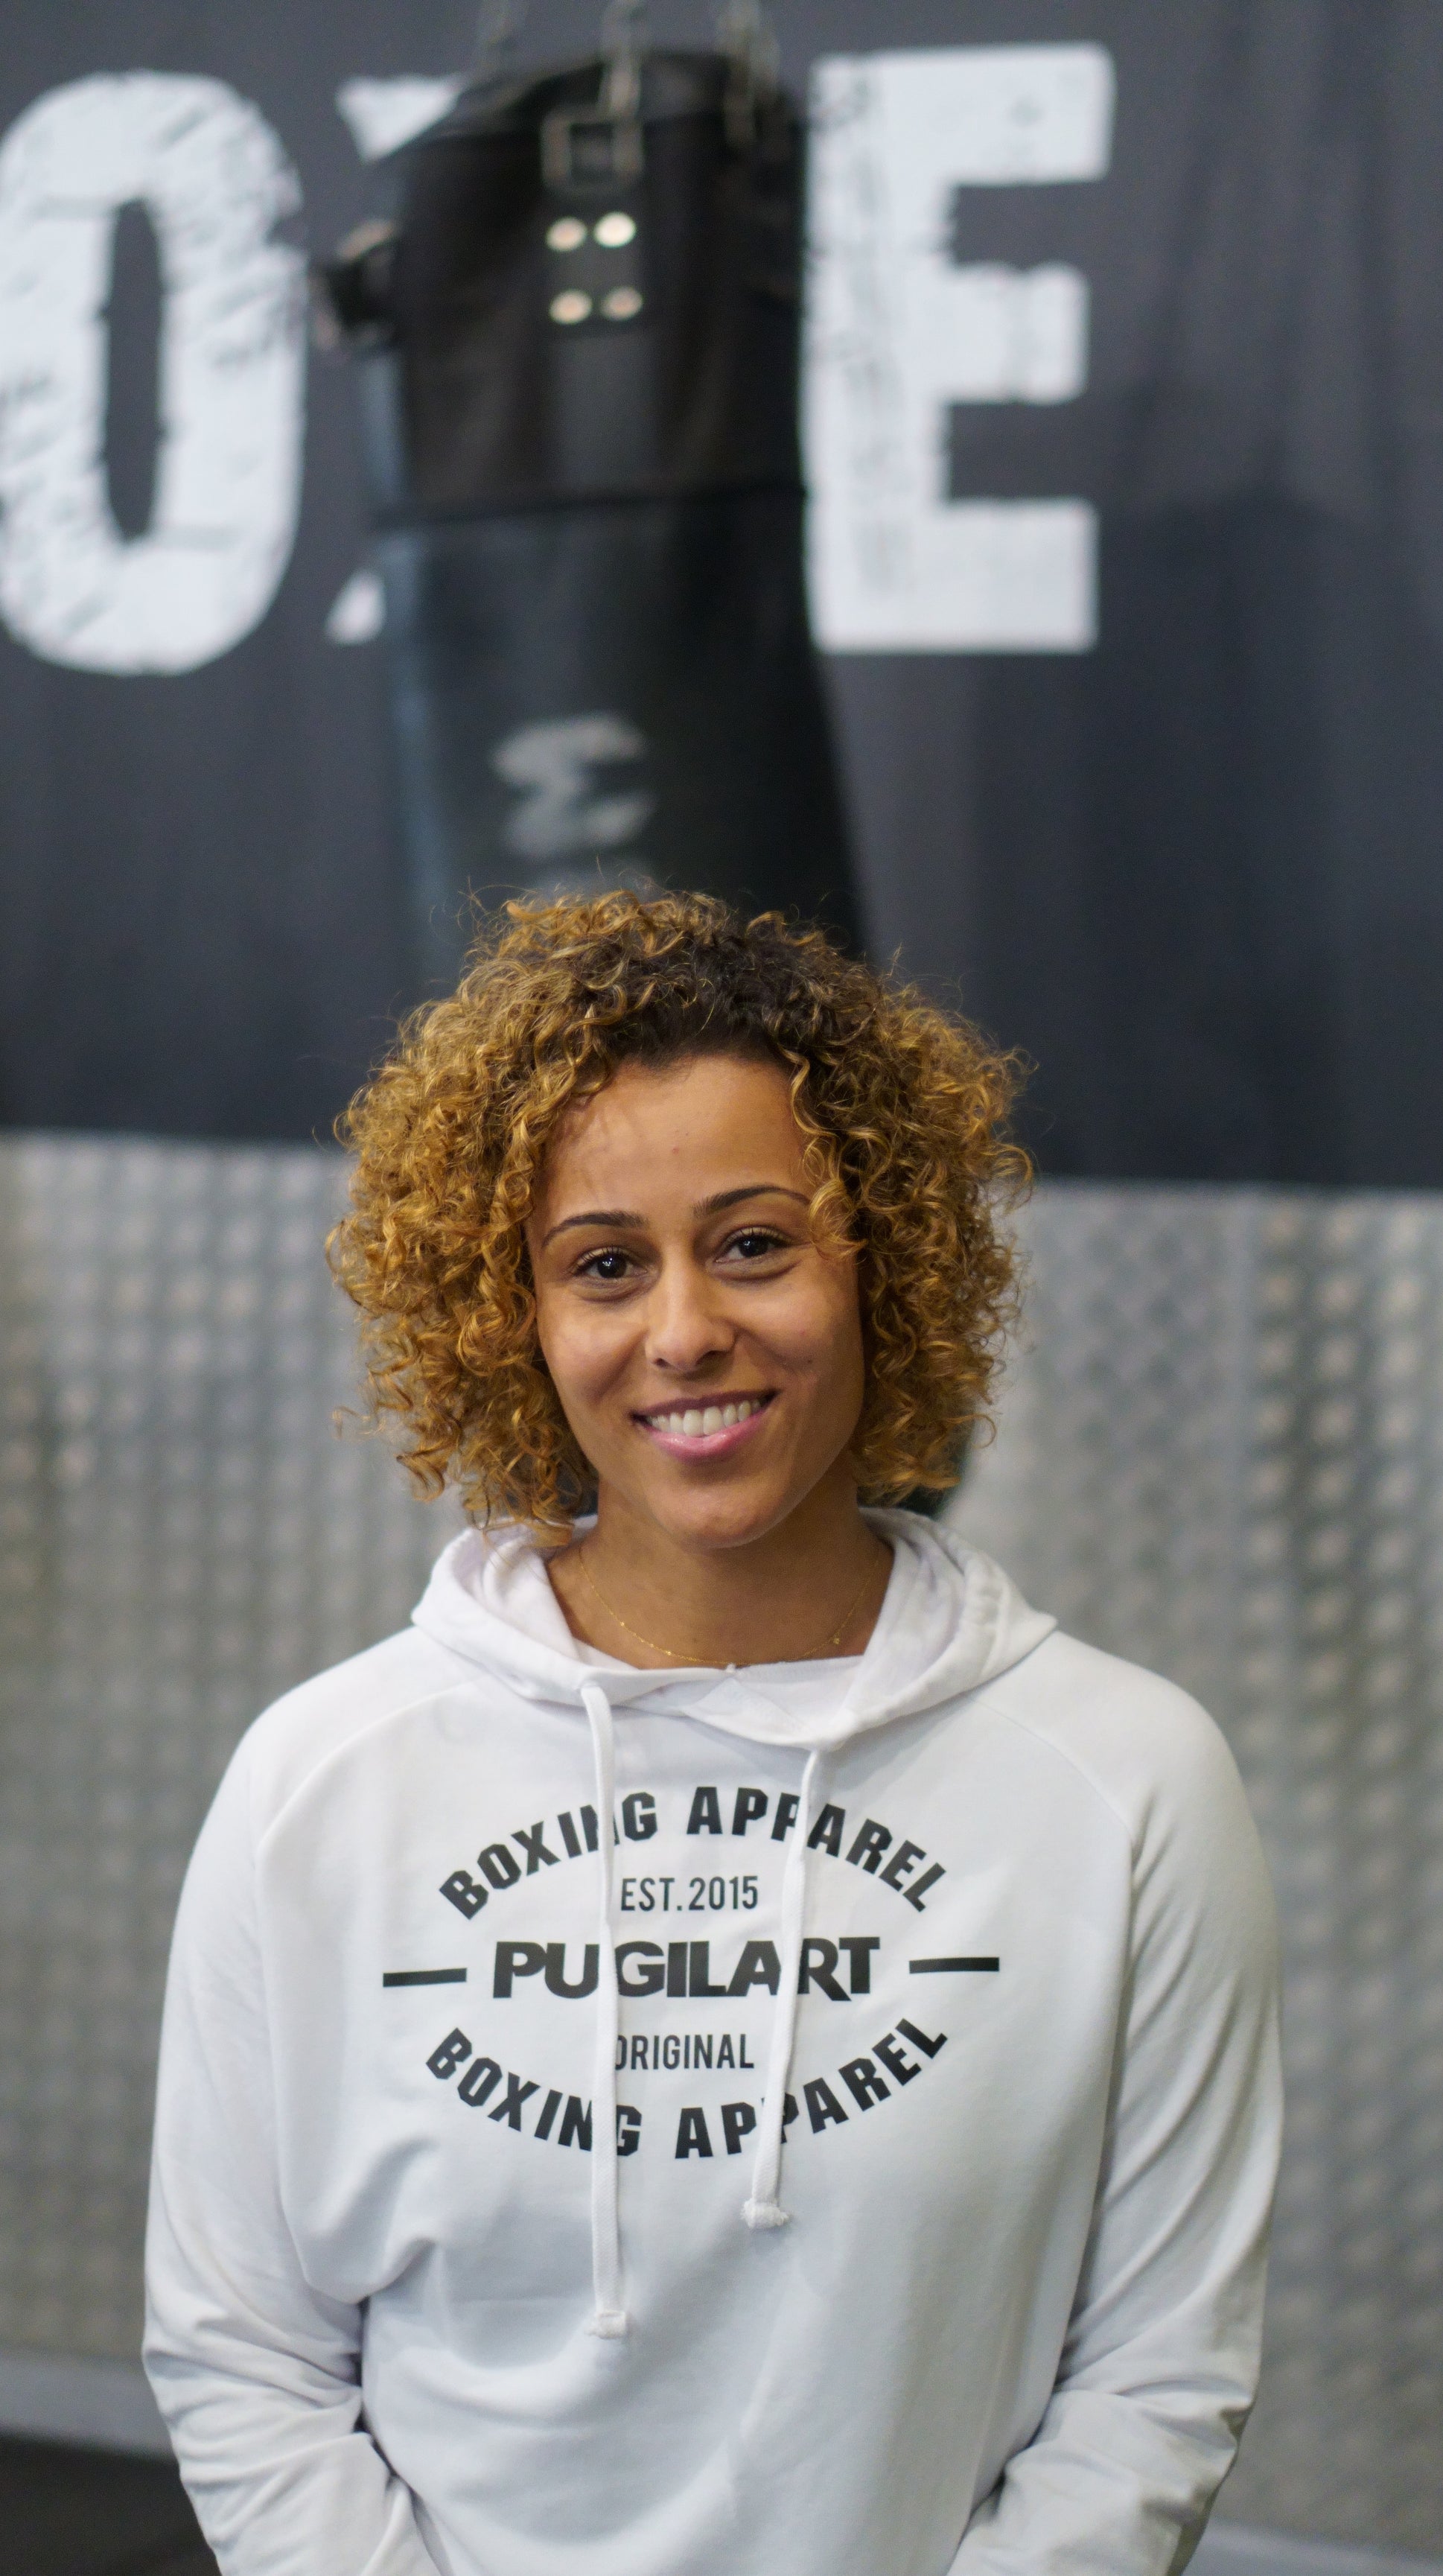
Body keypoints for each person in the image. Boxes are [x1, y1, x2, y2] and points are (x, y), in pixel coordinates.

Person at [144, 892, 1281, 2576]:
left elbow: (1155, 2374)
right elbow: (244, 2352)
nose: (682, 1330)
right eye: (604, 1265)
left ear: (883, 1261)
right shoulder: (319, 1781)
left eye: (753, 1243)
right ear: (515, 1315)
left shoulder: (1126, 1782)